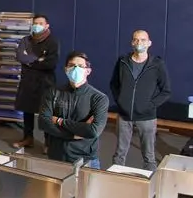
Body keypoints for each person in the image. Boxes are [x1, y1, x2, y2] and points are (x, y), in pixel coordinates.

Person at [110, 29, 171, 171]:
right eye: (136, 40)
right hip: (124, 116)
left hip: (147, 117)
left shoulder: (157, 64)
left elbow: (166, 91)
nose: (139, 43)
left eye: (143, 40)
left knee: (149, 156)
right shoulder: (122, 62)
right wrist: (120, 101)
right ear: (132, 43)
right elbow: (114, 84)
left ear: (149, 43)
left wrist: (150, 105)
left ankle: (151, 188)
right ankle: (114, 183)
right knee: (119, 154)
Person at [39, 52, 108, 169]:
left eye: (81, 66)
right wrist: (73, 135)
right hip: (56, 157)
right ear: (66, 69)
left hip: (85, 160)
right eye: (72, 65)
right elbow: (43, 122)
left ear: (88, 71)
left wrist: (60, 121)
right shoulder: (53, 93)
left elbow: (93, 131)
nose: (76, 69)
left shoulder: (98, 98)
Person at [13, 14, 59, 150]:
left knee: (46, 113)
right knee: (27, 112)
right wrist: (38, 59)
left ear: (47, 25)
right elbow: (20, 56)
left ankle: (48, 143)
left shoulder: (53, 42)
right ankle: (28, 138)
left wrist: (30, 62)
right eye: (35, 23)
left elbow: (51, 64)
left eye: (40, 23)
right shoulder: (26, 40)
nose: (37, 25)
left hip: (45, 83)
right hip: (28, 82)